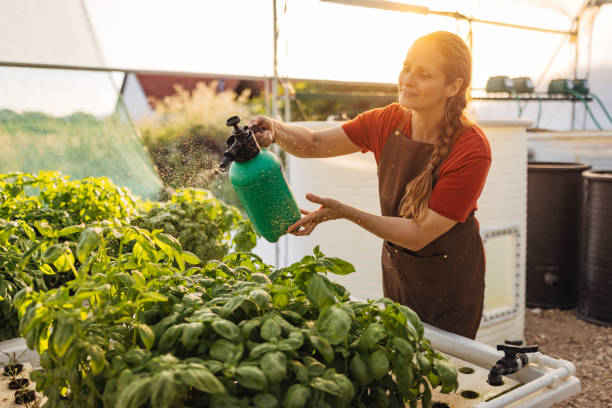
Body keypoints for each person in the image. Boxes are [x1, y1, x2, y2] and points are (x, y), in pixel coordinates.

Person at [250, 31, 491, 339]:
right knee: (400, 356)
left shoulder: (472, 148)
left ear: (453, 86)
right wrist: (275, 129)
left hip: (451, 278)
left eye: (425, 74)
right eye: (407, 68)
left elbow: (418, 234)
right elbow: (312, 144)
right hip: (399, 266)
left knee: (444, 369)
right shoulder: (387, 121)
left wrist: (346, 212)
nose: (408, 79)